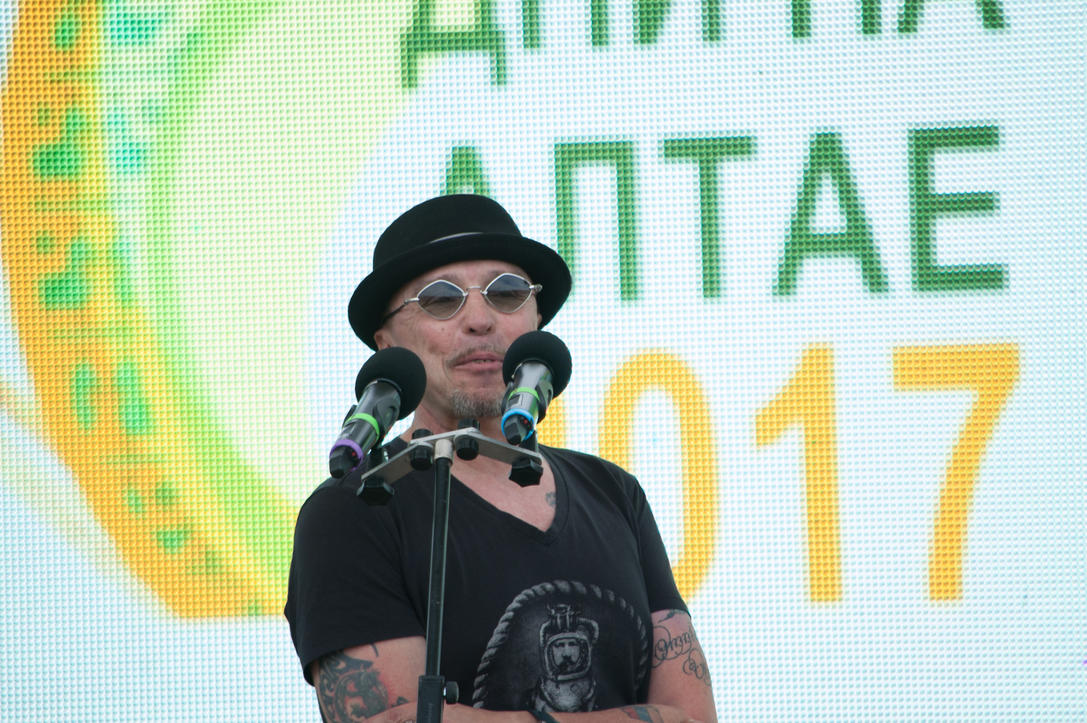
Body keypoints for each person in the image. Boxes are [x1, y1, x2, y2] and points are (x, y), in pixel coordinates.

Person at [285, 195, 717, 723]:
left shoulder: (613, 492)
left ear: (537, 318)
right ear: (386, 342)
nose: (480, 320)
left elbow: (694, 715)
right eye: (440, 299)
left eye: (507, 293)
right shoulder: (355, 509)